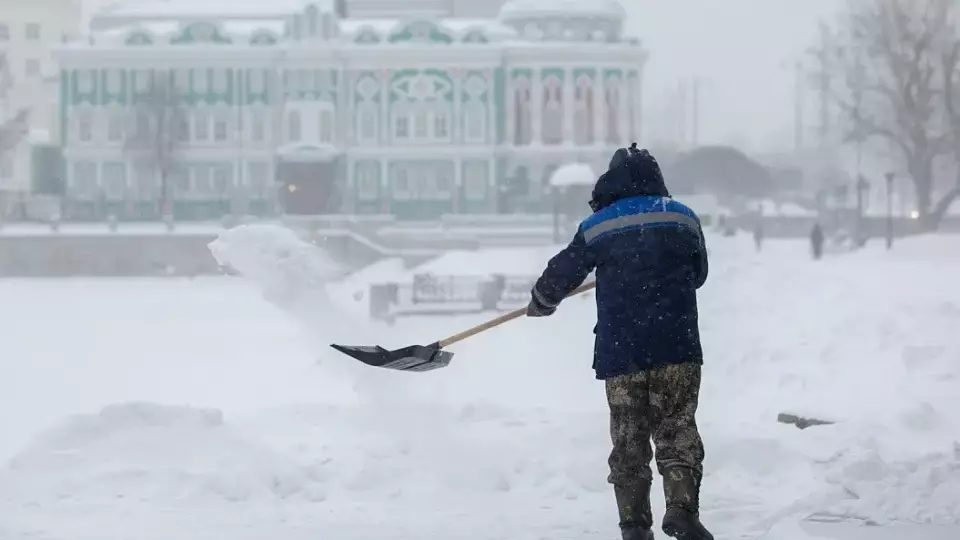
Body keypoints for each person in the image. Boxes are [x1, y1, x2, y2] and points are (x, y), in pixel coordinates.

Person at [526, 144, 713, 540]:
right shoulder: (683, 217)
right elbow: (698, 275)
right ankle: (681, 510)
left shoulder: (600, 224)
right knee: (677, 429)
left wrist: (543, 300)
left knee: (628, 440)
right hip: (676, 346)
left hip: (623, 352)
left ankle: (633, 526)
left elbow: (564, 270)